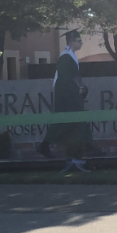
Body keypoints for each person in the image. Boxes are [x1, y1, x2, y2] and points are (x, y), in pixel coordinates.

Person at [37, 29, 101, 158]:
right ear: (71, 41)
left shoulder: (70, 56)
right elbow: (65, 78)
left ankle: (86, 145)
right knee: (64, 121)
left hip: (70, 95)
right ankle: (45, 146)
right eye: (79, 41)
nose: (81, 43)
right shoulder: (66, 57)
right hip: (67, 96)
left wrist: (81, 87)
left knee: (75, 121)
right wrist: (77, 89)